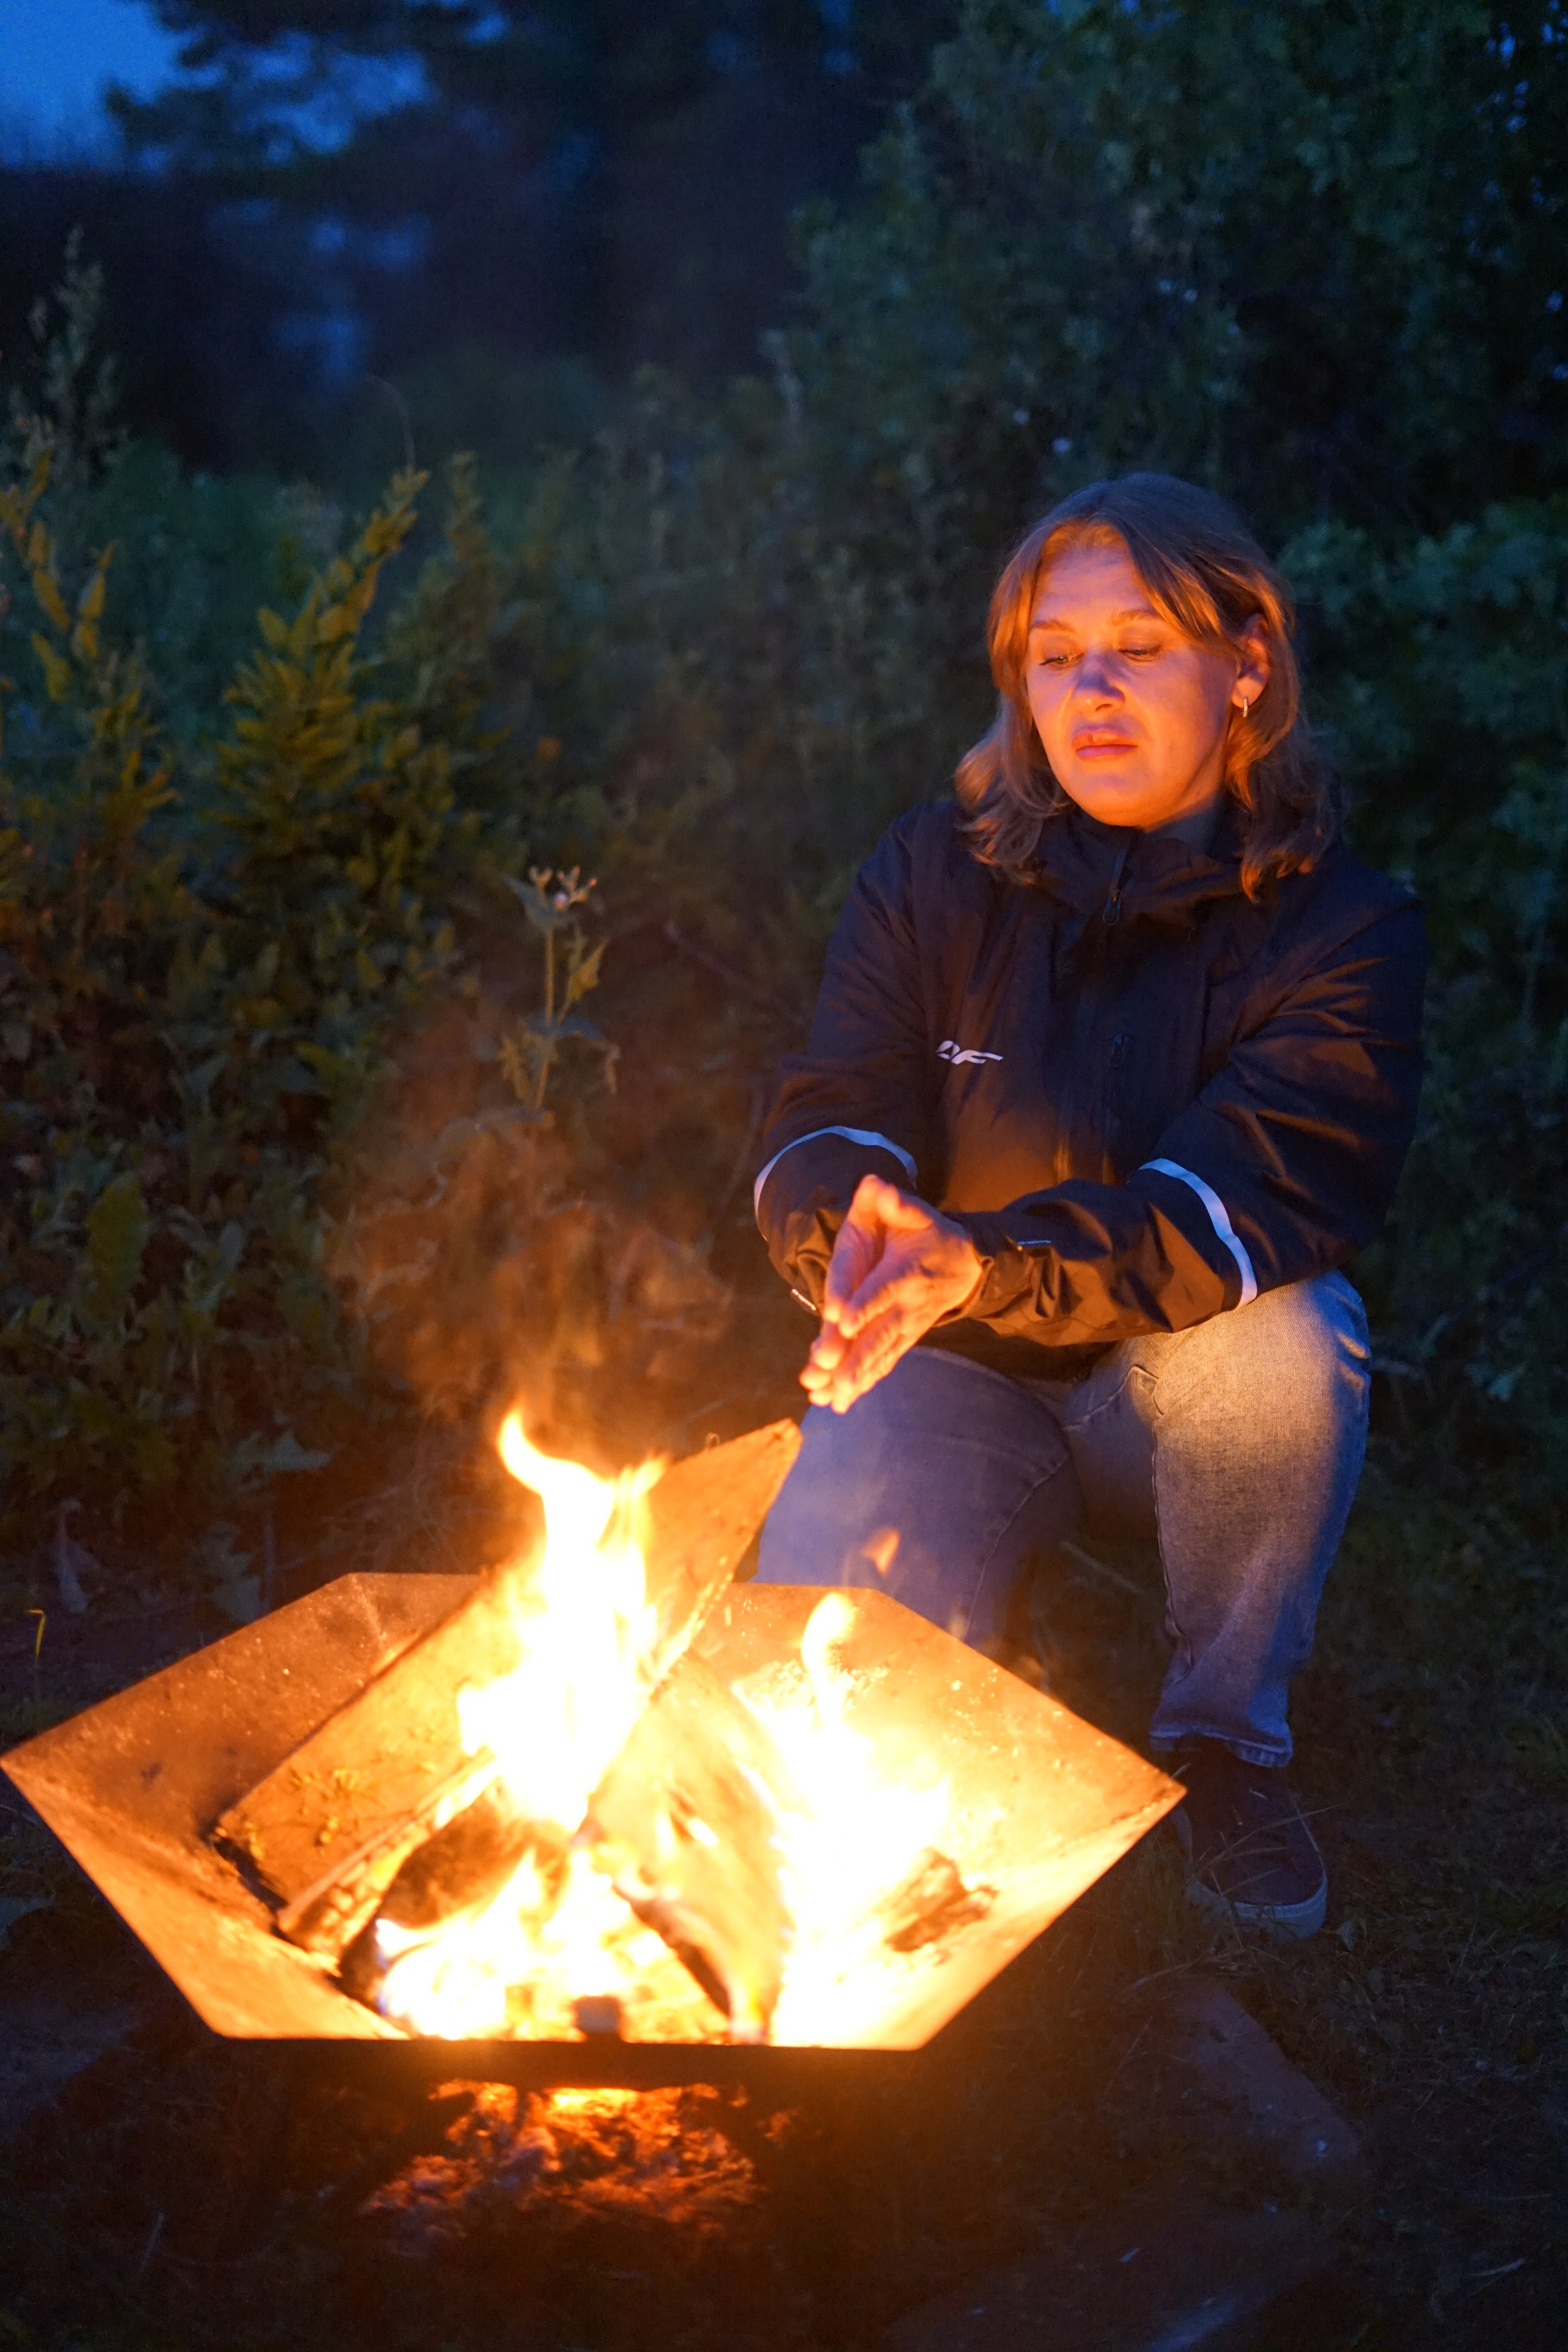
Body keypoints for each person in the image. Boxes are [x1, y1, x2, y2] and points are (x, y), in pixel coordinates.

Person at [751, 473, 1425, 1939]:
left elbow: (1227, 1209)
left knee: (1288, 1338)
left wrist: (978, 1260)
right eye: (1054, 655)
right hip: (948, 1374)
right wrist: (848, 1230)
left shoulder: (1342, 929)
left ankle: (1222, 1744)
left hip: (1170, 1397)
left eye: (1138, 644)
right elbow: (830, 1104)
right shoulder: (934, 872)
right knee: (817, 1708)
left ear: (1243, 661)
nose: (1090, 689)